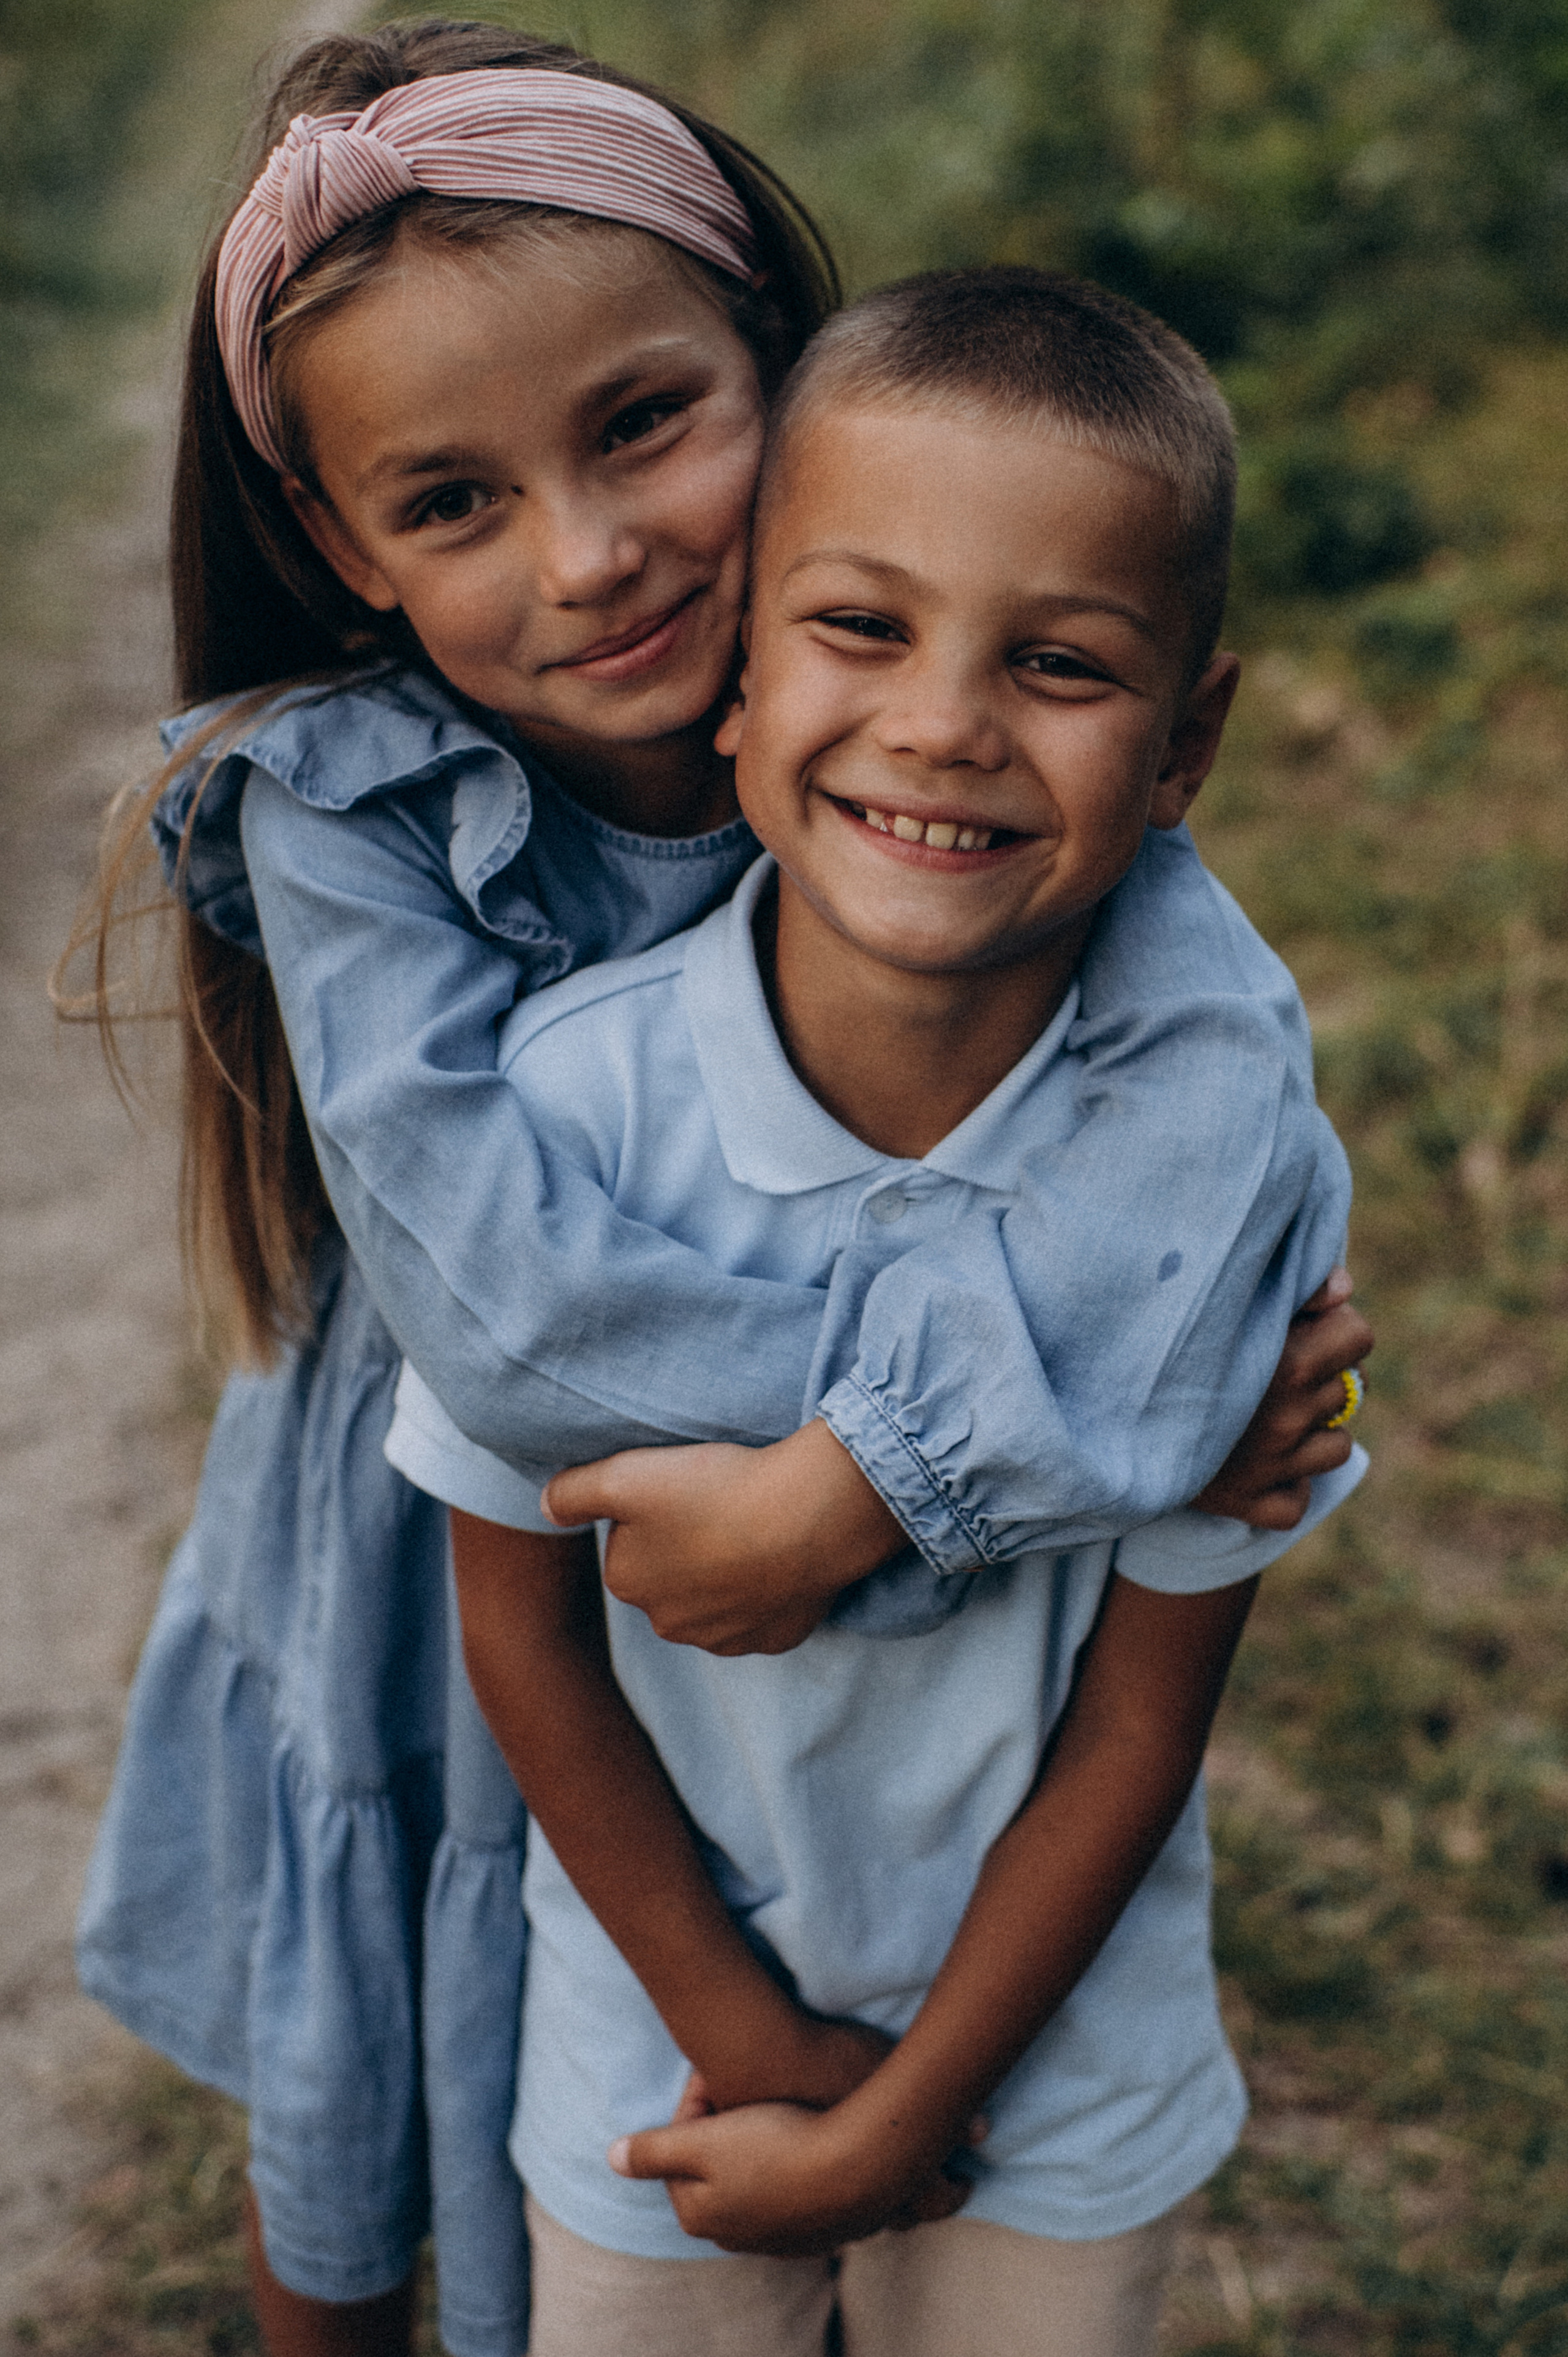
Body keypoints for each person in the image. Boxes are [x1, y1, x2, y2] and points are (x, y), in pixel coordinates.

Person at [61, 25, 1371, 2357]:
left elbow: (1220, 1109)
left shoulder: (969, 737)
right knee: (385, 2067)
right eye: (452, 502)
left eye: (649, 423)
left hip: (808, 1616)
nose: (593, 554)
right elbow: (511, 1311)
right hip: (455, 1542)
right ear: (341, 551)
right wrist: (987, 1438)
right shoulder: (353, 811)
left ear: (790, 352)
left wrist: (1104, 1378)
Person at [382, 267, 1370, 2356]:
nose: (943, 722)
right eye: (860, 626)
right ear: (733, 674)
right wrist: (757, 2050)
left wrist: (913, 2110)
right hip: (658, 2049)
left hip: (1063, 2080)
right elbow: (518, 1631)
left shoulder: (1224, 1197)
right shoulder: (567, 1113)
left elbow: (1139, 1720)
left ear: (1187, 738)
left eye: (1062, 663)